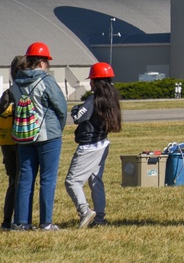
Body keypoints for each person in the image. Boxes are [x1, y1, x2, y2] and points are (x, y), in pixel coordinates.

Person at [11, 42, 67, 230]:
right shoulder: (46, 80)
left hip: (24, 136)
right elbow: (60, 106)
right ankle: (46, 223)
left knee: (25, 179)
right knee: (47, 179)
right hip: (48, 135)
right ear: (43, 62)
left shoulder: (17, 82)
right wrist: (58, 127)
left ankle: (21, 222)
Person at [65, 61, 122, 228]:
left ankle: (84, 211)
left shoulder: (92, 100)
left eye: (91, 80)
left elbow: (78, 117)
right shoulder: (111, 99)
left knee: (72, 182)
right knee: (96, 180)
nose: (90, 83)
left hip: (88, 146)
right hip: (103, 143)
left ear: (96, 81)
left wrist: (76, 108)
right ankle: (100, 217)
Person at [1, 56, 28, 231]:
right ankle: (21, 218)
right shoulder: (23, 92)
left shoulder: (7, 93)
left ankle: (6, 220)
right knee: (23, 180)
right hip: (20, 140)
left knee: (13, 181)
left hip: (6, 142)